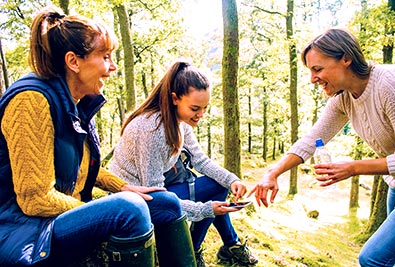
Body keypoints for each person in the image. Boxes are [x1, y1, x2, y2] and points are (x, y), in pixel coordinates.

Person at [0, 6, 195, 267]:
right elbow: (35, 199)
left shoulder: (74, 102)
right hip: (24, 231)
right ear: (73, 61)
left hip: (51, 221)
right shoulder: (31, 101)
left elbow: (83, 166)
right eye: (105, 56)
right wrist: (102, 212)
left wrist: (123, 187)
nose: (112, 67)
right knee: (129, 209)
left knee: (167, 203)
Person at [249, 28, 395, 267]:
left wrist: (353, 168)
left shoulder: (390, 85)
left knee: (372, 259)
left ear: (346, 59)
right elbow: (312, 139)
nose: (312, 79)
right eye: (310, 71)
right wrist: (272, 173)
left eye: (317, 69)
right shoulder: (343, 98)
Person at [109, 61, 259, 267]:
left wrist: (231, 179)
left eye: (205, 108)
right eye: (195, 108)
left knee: (219, 185)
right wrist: (205, 210)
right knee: (211, 203)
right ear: (175, 99)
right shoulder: (152, 131)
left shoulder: (180, 122)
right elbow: (155, 197)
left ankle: (195, 249)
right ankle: (202, 250)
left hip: (159, 191)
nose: (201, 114)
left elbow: (200, 160)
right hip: (134, 200)